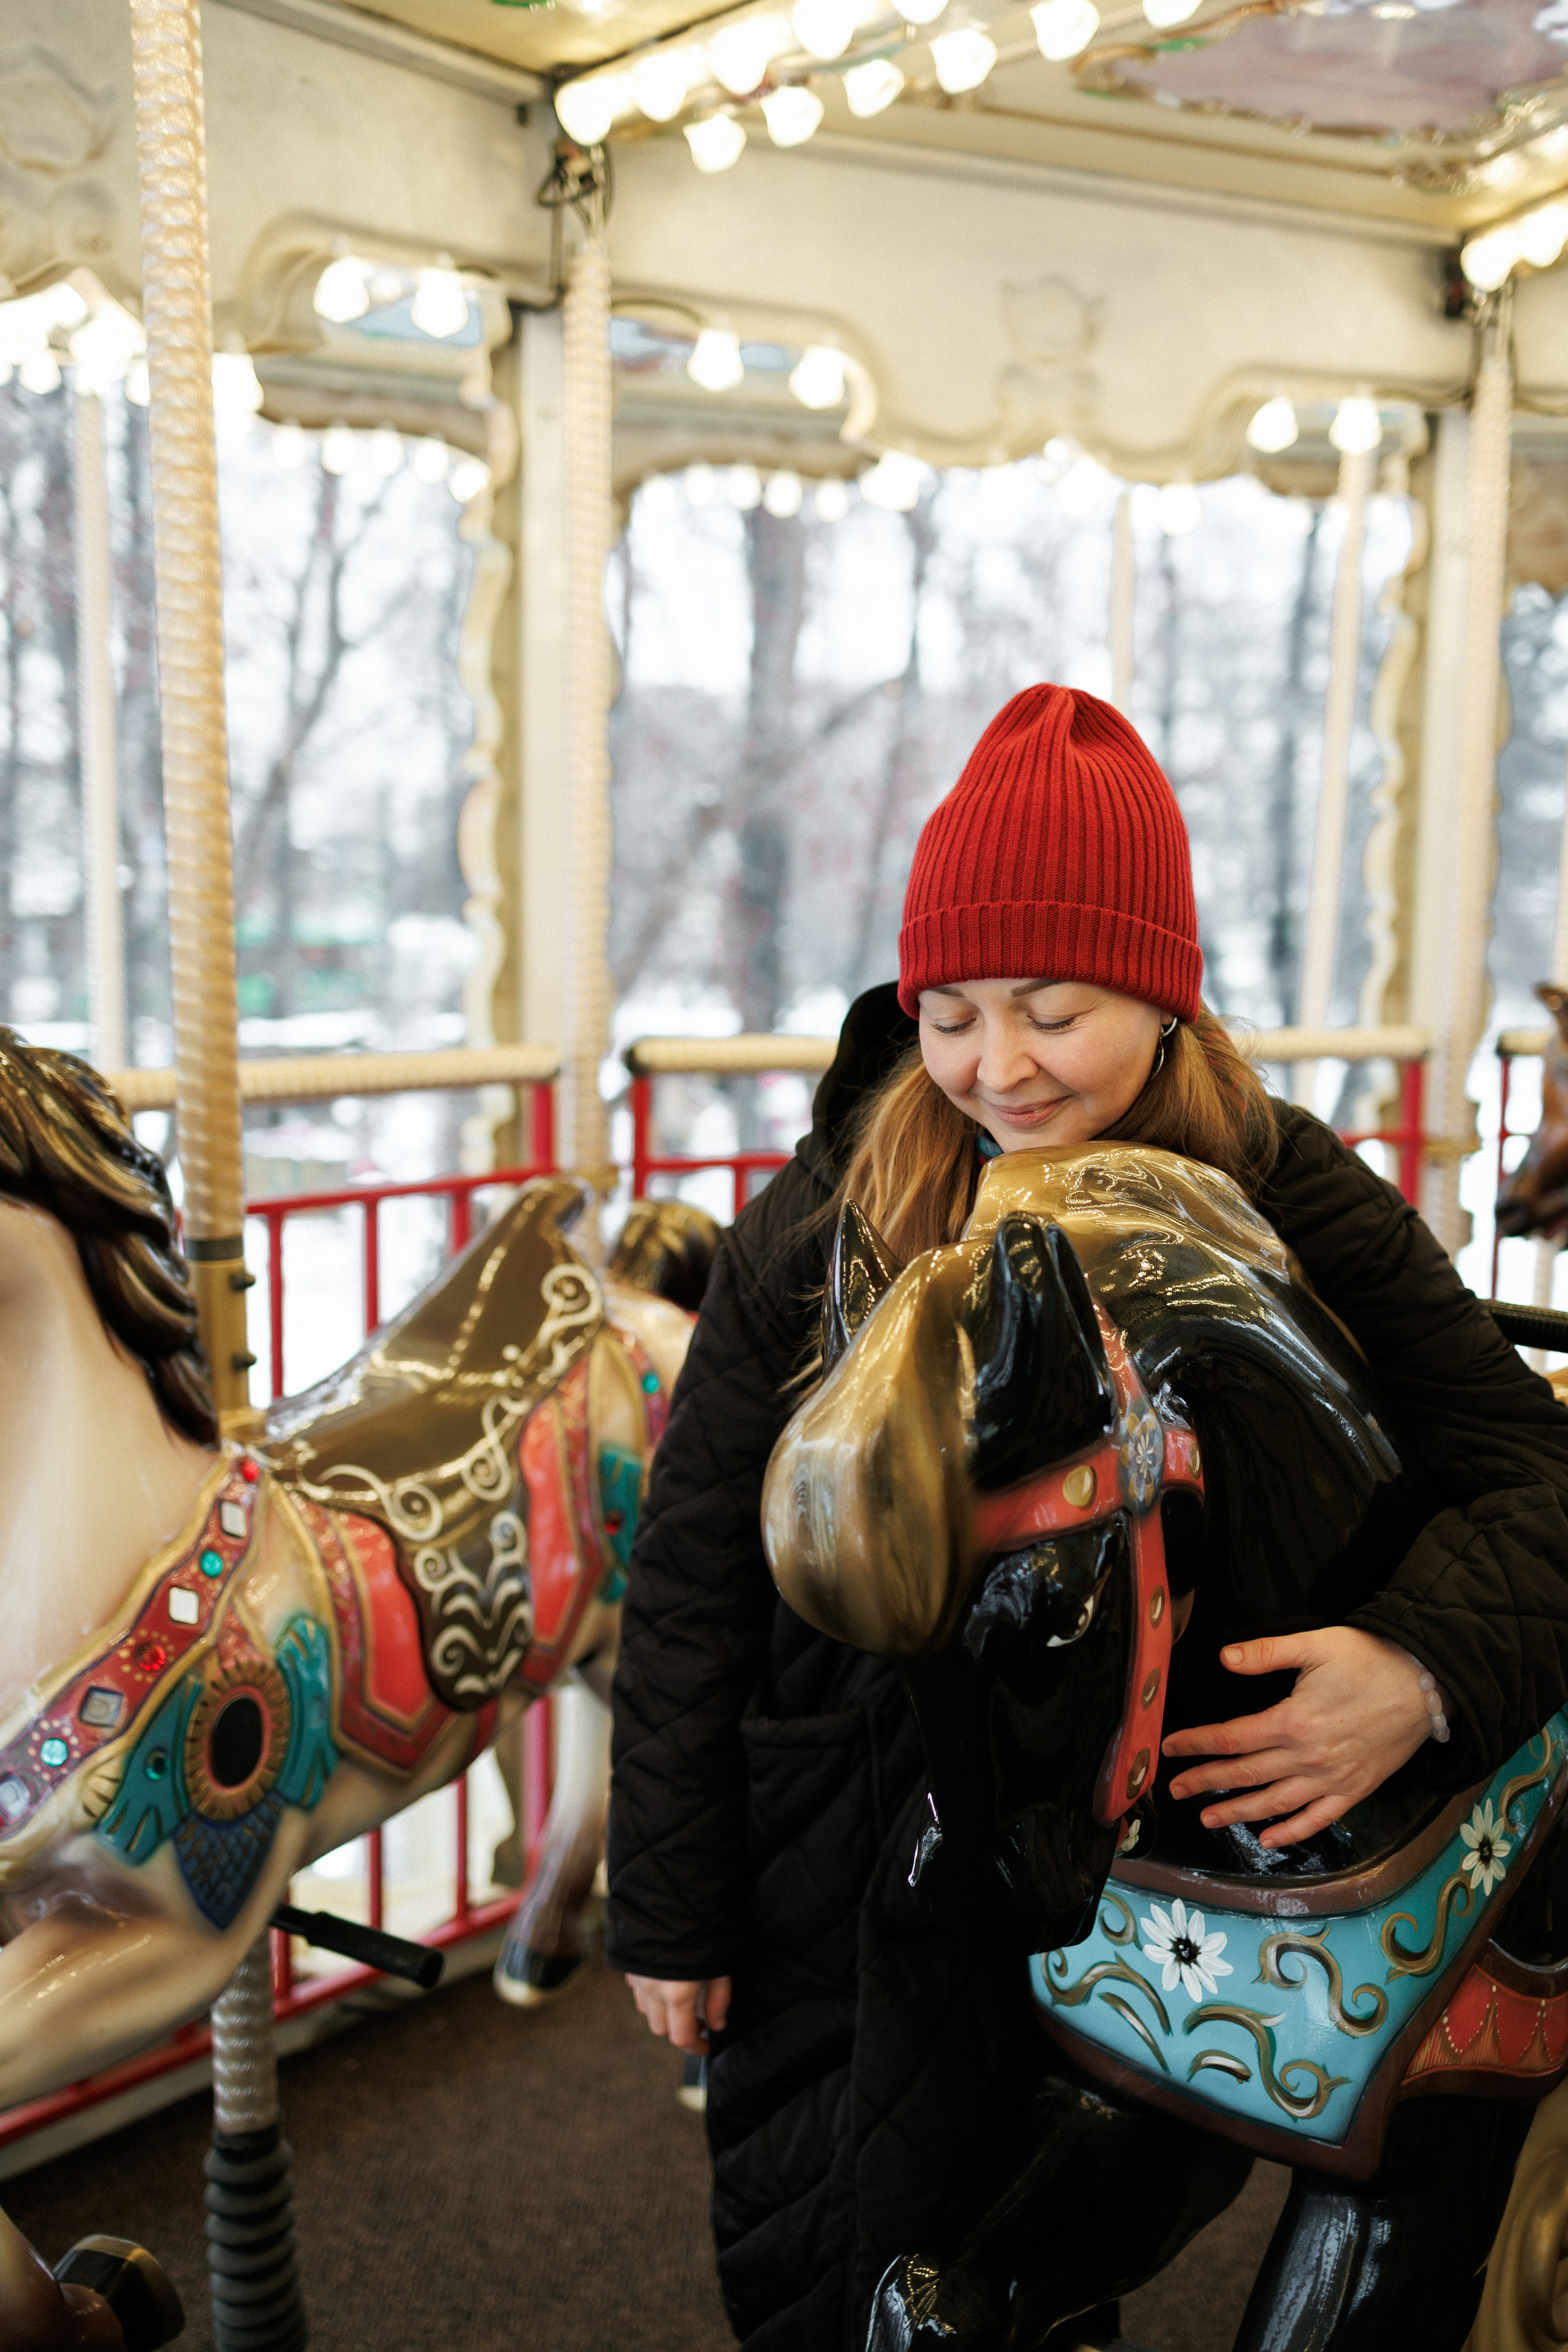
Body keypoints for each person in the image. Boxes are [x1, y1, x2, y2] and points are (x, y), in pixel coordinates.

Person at [606, 684, 1568, 2351]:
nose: (999, 1065)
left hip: (1125, 1852)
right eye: (955, 1012)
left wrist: (1420, 1665)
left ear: (1163, 998)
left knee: (1020, 2262)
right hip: (842, 1844)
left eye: (1053, 1007)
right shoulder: (838, 1208)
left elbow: (1532, 1469)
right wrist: (671, 1898)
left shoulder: (1274, 1184)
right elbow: (693, 1571)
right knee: (825, 2264)